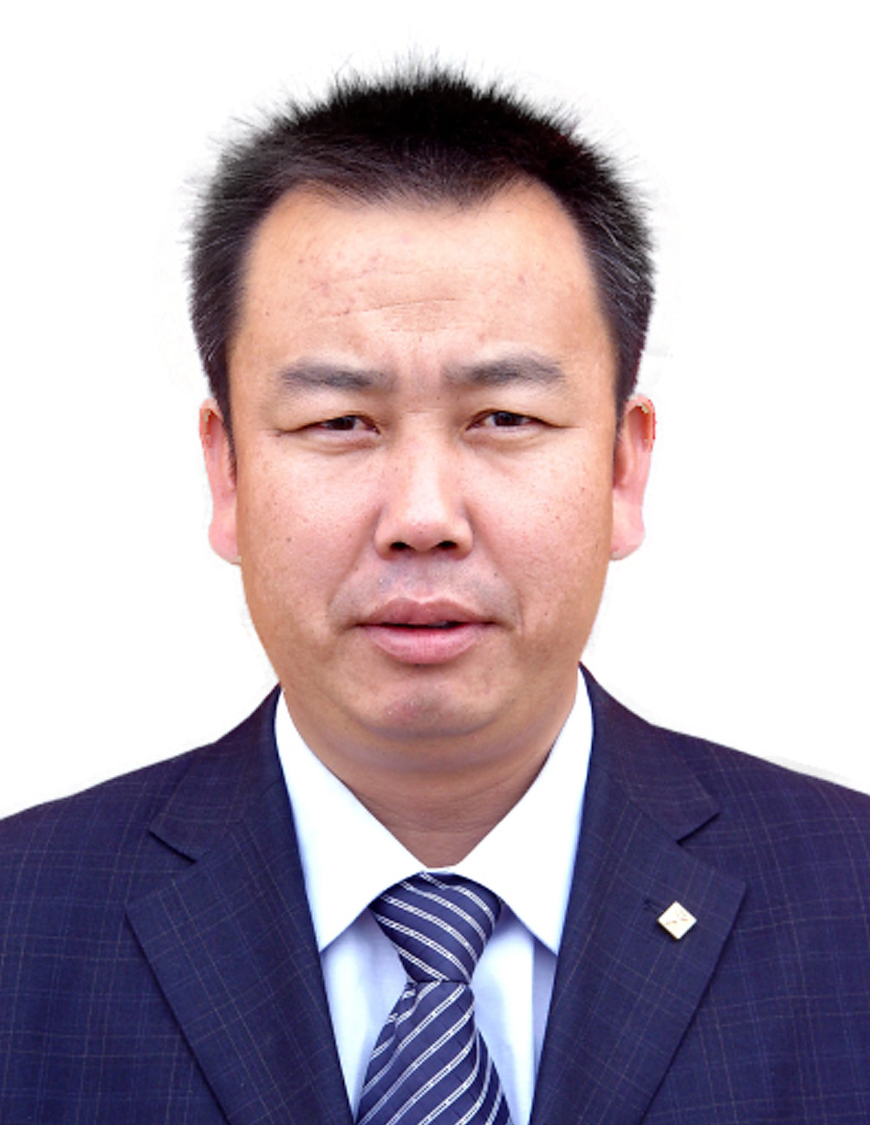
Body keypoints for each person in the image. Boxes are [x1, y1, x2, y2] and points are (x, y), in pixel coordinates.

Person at [1, 66, 869, 1125]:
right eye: (340, 423)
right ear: (227, 472)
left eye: (504, 418)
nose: (422, 516)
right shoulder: (23, 921)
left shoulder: (848, 901)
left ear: (622, 468)